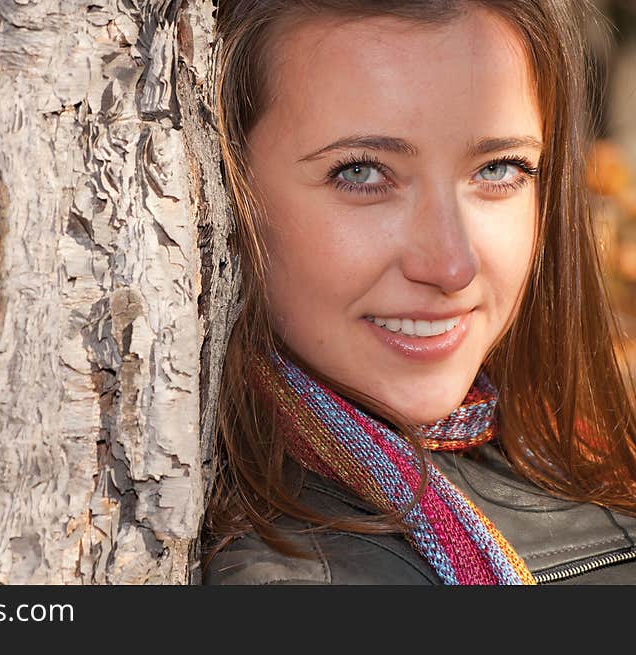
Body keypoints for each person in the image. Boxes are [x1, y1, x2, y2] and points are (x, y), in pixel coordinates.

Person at [201, 0, 636, 585]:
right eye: (361, 172)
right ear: (218, 190)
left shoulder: (595, 459)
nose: (452, 266)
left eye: (498, 169)